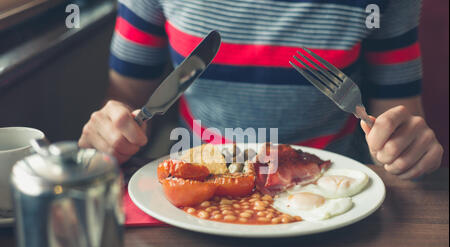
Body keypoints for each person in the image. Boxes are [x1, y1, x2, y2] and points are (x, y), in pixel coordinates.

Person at [78, 0, 443, 180]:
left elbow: (400, 117)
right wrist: (112, 132)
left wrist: (405, 147)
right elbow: (127, 101)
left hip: (330, 188)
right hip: (199, 190)